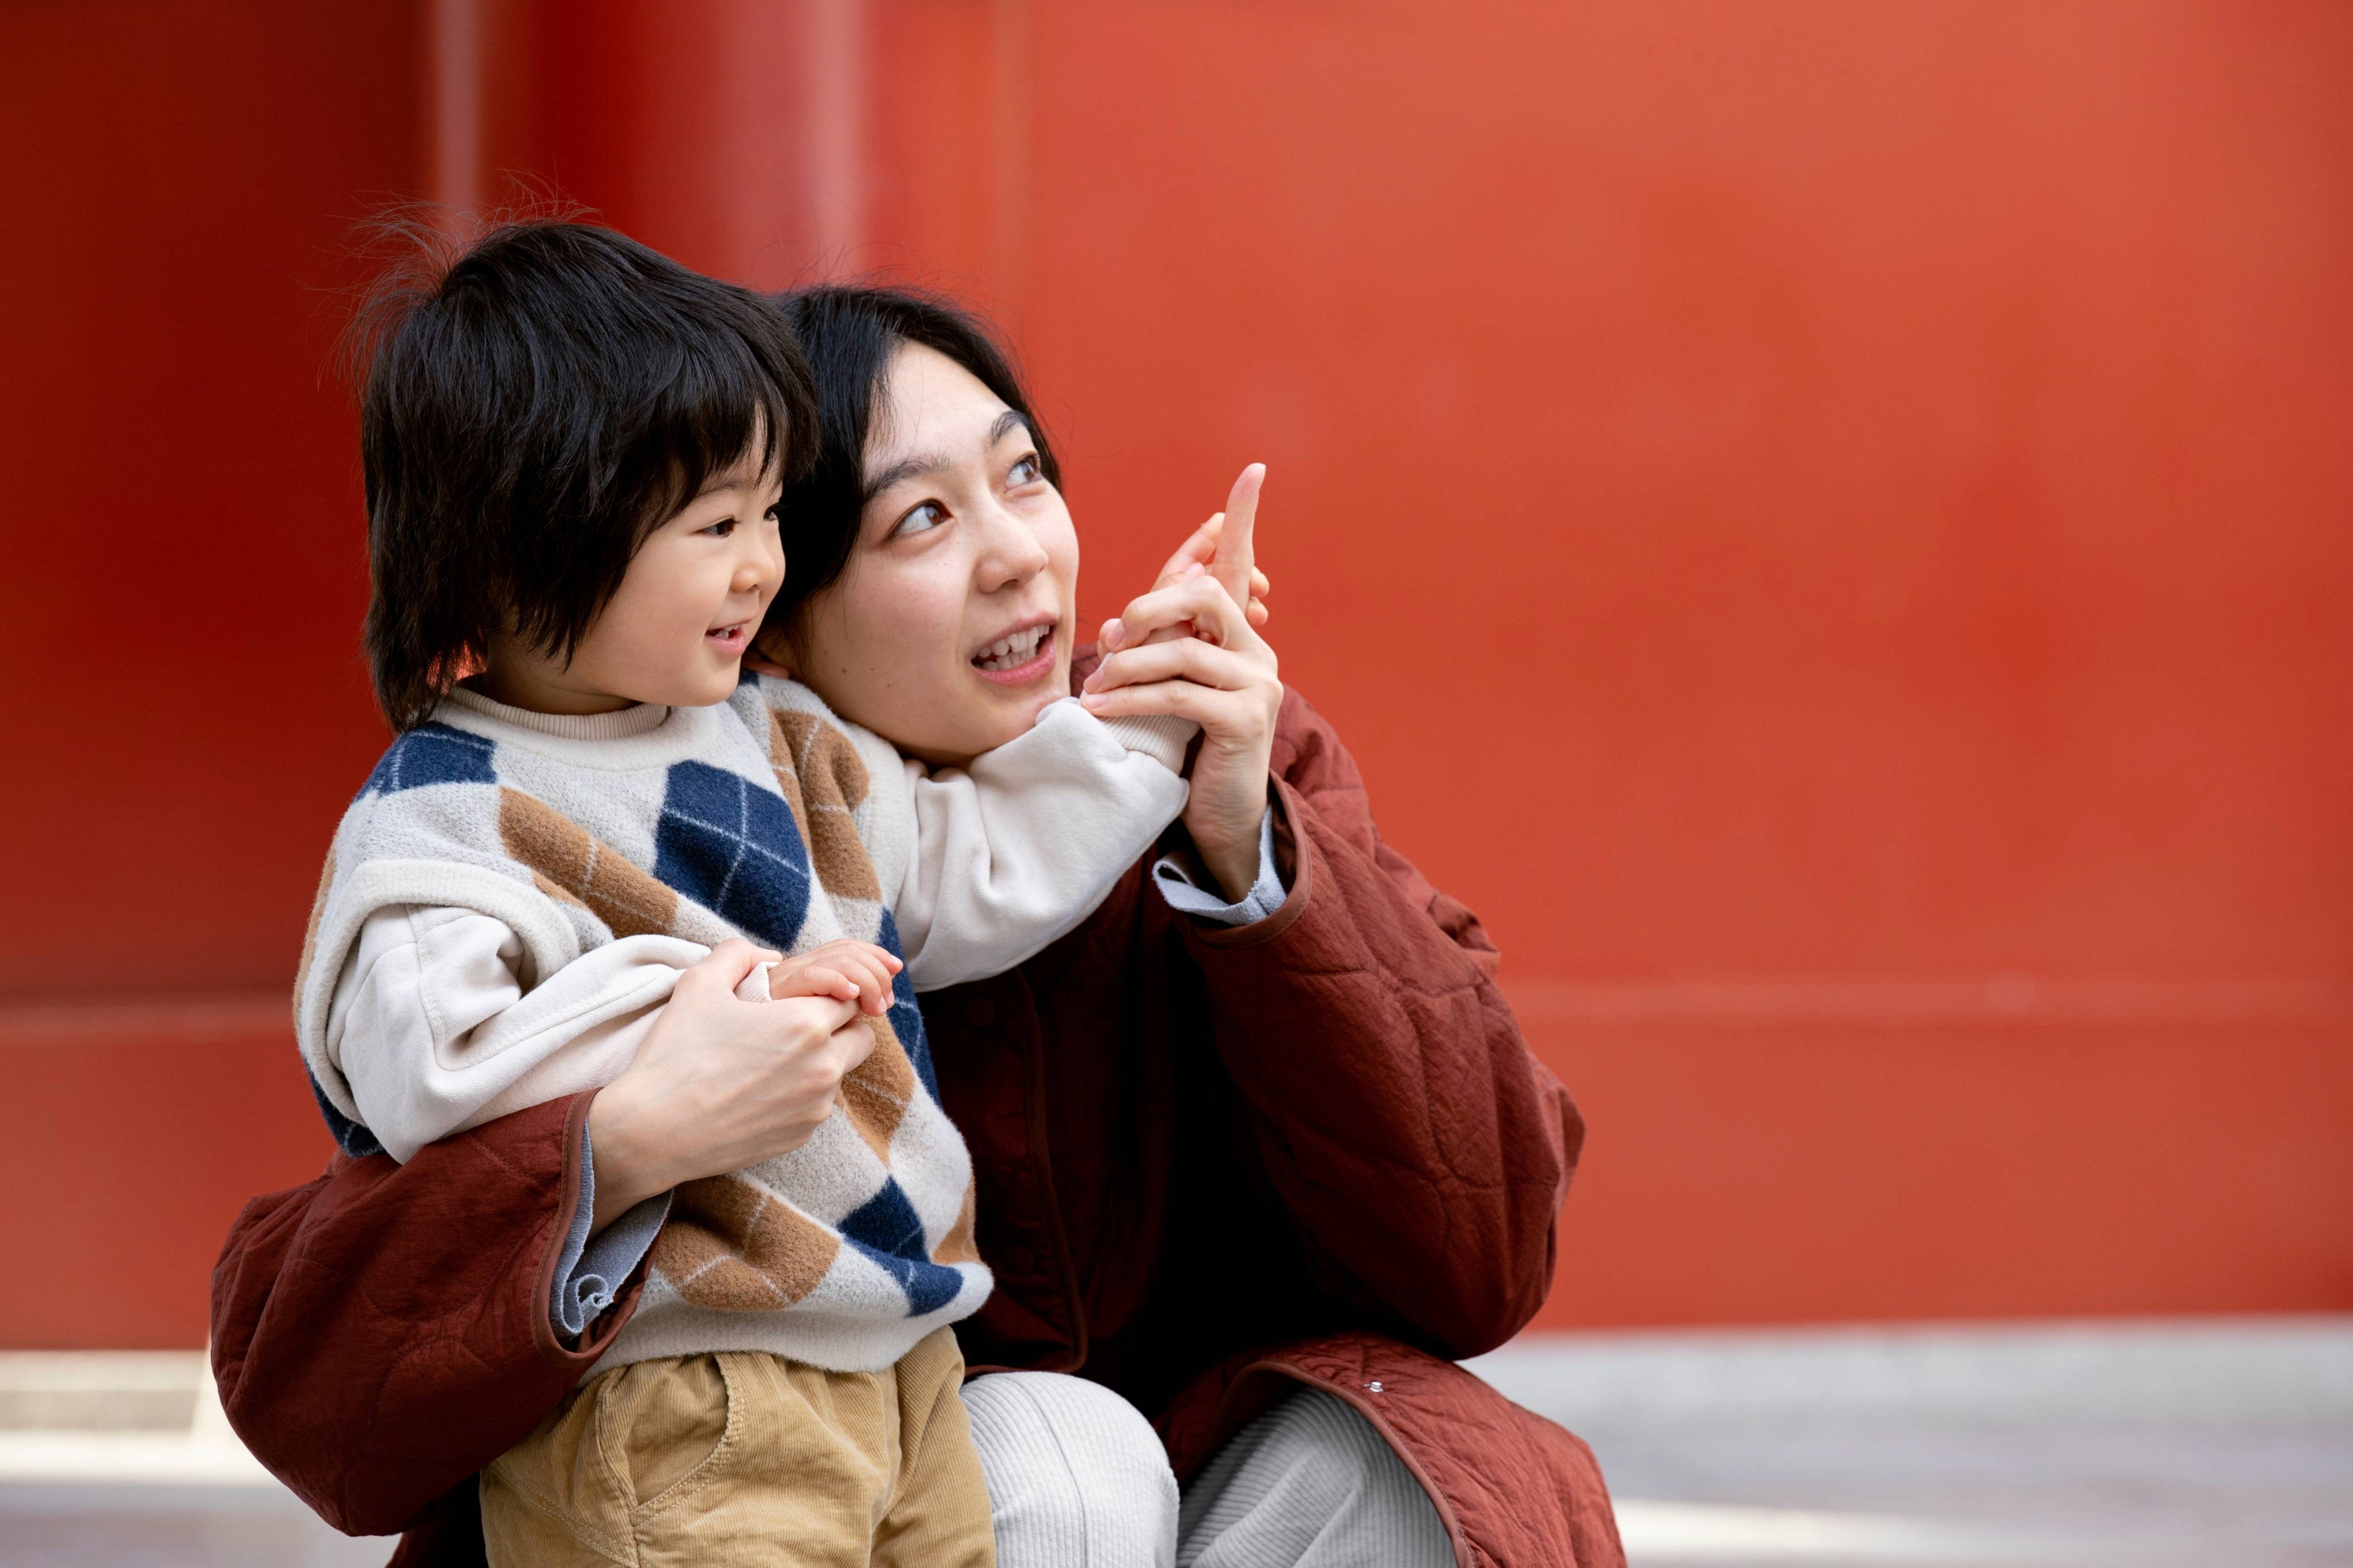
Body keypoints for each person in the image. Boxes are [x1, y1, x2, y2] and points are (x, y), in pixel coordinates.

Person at [213, 283, 1625, 1568]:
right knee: (1062, 1468)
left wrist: (1237, 838)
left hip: (1109, 1460)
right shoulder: (517, 816)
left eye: (1023, 476)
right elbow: (328, 1357)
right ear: (772, 627)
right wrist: (625, 1136)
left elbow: (1482, 1251)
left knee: (1400, 1475)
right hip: (737, 1442)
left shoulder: (1178, 760)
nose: (1017, 556)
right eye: (921, 522)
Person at [310, 224, 1244, 1567]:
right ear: (524, 551)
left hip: (898, 1355)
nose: (764, 564)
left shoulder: (782, 739)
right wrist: (704, 1012)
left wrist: (1157, 714)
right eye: (716, 527)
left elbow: (983, 861)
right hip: (679, 1392)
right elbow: (432, 1078)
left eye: (768, 517)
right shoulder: (446, 821)